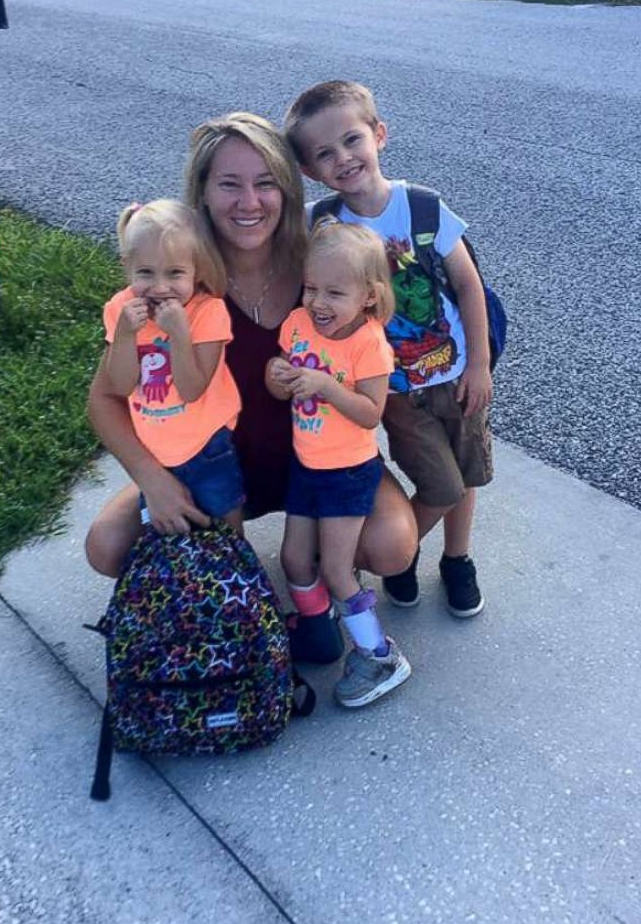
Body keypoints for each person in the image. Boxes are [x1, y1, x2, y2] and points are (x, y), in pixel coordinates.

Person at [85, 112, 417, 659]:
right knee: (106, 546)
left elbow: (376, 354)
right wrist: (152, 477)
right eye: (230, 184)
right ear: (203, 194)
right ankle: (237, 598)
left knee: (392, 544)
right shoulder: (176, 281)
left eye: (266, 183)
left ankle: (322, 576)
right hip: (209, 467)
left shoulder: (323, 269)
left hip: (321, 461)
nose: (249, 201)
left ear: (287, 191)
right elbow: (104, 398)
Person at [284, 81, 494, 618]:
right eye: (324, 154)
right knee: (439, 481)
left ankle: (457, 558)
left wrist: (480, 365)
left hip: (457, 375)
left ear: (379, 134)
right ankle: (399, 557)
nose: (343, 158)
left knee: (465, 474)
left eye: (353, 139)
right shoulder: (321, 223)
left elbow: (469, 287)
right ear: (310, 170)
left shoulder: (423, 208)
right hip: (395, 390)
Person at [267, 220, 410, 706]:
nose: (317, 302)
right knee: (292, 558)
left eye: (334, 292)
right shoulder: (299, 325)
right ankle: (317, 630)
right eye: (310, 288)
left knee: (337, 568)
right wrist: (277, 374)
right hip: (307, 463)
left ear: (369, 296)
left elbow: (371, 413)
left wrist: (328, 388)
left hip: (348, 472)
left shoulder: (369, 344)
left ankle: (379, 654)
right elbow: (278, 381)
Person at [103, 198, 243, 530]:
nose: (160, 287)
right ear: (127, 267)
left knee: (224, 521)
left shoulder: (207, 312)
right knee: (168, 531)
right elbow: (121, 386)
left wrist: (179, 335)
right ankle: (184, 582)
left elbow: (192, 389)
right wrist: (124, 336)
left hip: (207, 446)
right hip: (155, 451)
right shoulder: (120, 310)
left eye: (175, 273)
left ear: (196, 270)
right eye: (146, 273)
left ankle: (239, 575)